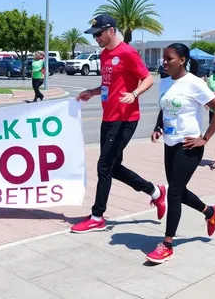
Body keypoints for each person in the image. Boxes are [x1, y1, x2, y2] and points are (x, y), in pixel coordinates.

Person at [71, 13, 166, 234]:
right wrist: (92, 92)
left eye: (99, 34)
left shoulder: (128, 52)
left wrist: (134, 94)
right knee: (113, 168)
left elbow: (148, 79)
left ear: (111, 30)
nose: (97, 39)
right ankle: (155, 192)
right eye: (95, 35)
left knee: (104, 166)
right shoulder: (104, 55)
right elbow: (108, 85)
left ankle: (97, 216)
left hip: (125, 119)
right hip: (108, 117)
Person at [147, 43, 215, 264]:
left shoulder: (195, 83)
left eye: (169, 58)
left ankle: (167, 245)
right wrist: (157, 127)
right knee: (178, 192)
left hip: (189, 145)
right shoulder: (164, 82)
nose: (164, 62)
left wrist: (205, 138)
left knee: (173, 193)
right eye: (163, 58)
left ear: (182, 60)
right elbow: (164, 108)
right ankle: (210, 211)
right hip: (170, 143)